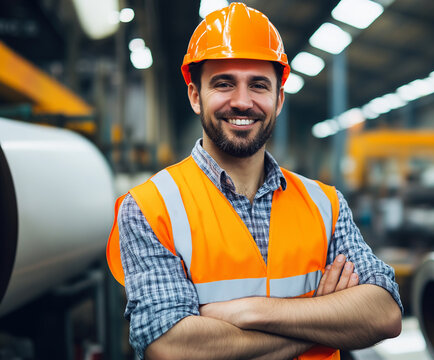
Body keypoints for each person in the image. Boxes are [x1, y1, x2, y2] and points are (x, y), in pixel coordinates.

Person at [107, 3, 403, 359]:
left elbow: (384, 313)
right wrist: (324, 320)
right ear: (195, 96)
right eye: (224, 83)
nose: (243, 102)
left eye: (258, 85)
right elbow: (171, 347)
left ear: (278, 99)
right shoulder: (149, 208)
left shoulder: (326, 204)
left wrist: (250, 311)